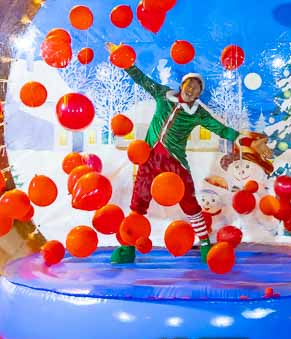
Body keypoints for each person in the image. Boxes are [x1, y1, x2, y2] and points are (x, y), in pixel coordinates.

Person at [107, 45, 271, 264]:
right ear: (182, 85)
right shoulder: (163, 95)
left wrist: (247, 140)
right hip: (149, 159)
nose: (192, 90)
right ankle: (127, 247)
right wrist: (123, 60)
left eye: (197, 88)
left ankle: (204, 243)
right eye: (189, 85)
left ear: (198, 94)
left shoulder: (198, 113)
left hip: (175, 163)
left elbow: (220, 128)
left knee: (190, 204)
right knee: (138, 203)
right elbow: (142, 79)